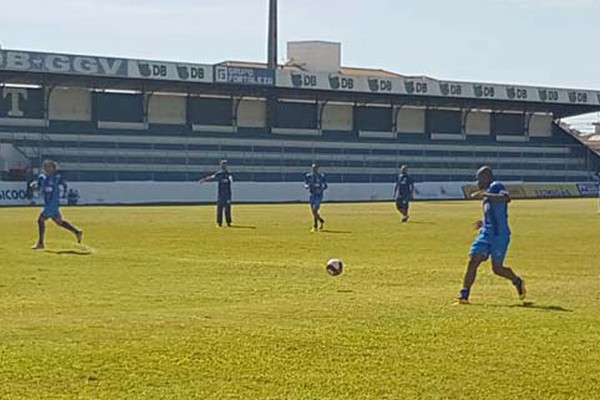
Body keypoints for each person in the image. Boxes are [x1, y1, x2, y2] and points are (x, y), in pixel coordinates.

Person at [457, 166, 525, 304]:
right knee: (473, 260)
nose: (477, 182)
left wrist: (485, 195)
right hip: (486, 233)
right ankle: (464, 295)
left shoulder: (496, 186)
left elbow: (506, 198)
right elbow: (493, 212)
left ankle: (517, 281)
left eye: (479, 179)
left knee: (497, 269)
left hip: (500, 235)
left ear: (487, 177)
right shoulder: (487, 193)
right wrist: (483, 222)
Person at [30, 160, 83, 250]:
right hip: (48, 203)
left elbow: (64, 185)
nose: (48, 168)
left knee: (40, 220)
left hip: (52, 203)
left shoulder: (57, 178)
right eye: (46, 167)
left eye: (50, 167)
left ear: (54, 168)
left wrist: (64, 193)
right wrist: (34, 186)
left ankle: (40, 243)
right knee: (59, 222)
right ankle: (77, 231)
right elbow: (38, 186)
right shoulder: (42, 177)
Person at [199, 160, 233, 227]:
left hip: (227, 194)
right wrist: (204, 180)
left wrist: (230, 179)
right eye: (222, 165)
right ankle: (219, 223)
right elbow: (212, 177)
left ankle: (228, 222)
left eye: (225, 165)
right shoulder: (219, 174)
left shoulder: (228, 174)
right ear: (221, 166)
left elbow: (231, 178)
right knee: (219, 209)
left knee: (227, 209)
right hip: (220, 194)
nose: (224, 166)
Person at [303, 164, 328, 232]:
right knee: (313, 211)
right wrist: (306, 186)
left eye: (316, 168)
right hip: (312, 195)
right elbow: (305, 183)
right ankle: (320, 221)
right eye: (313, 168)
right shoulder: (309, 176)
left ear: (318, 168)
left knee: (315, 209)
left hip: (319, 195)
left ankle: (315, 226)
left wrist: (321, 188)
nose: (314, 169)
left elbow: (325, 185)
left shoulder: (321, 176)